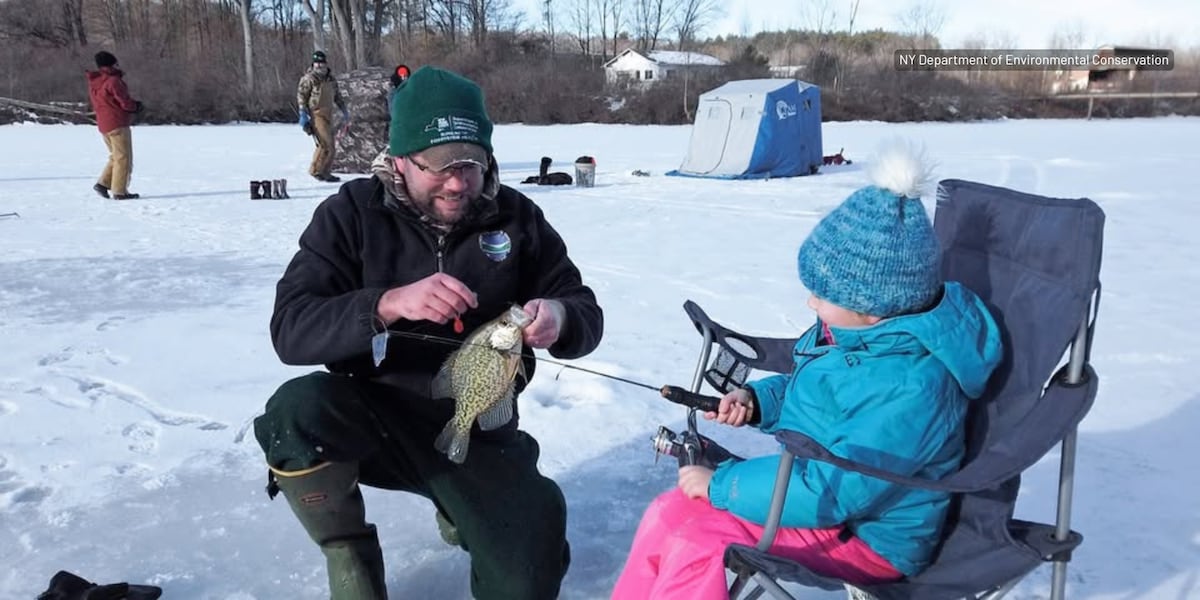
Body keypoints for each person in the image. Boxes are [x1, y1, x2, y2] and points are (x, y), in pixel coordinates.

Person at [255, 65, 604, 600]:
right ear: (398, 159)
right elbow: (291, 328)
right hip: (373, 415)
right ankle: (348, 557)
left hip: (481, 426)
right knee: (297, 412)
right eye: (439, 166)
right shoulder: (350, 213)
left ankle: (459, 505)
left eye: (472, 163)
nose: (459, 182)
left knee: (527, 577)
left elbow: (585, 312)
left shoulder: (516, 217)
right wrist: (385, 304)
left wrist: (560, 315)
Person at [612, 142, 1004, 599]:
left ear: (873, 309)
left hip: (864, 535)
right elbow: (817, 389)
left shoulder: (914, 390)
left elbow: (835, 493)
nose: (810, 303)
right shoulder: (859, 336)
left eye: (821, 294)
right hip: (819, 496)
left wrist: (720, 486)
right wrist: (758, 402)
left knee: (696, 538)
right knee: (669, 510)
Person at [85, 50, 143, 200]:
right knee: (123, 158)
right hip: (117, 122)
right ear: (111, 65)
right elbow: (124, 102)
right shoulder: (113, 81)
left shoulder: (94, 83)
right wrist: (136, 106)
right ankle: (119, 191)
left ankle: (103, 184)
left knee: (116, 156)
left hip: (104, 124)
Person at [297, 49, 349, 182]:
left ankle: (326, 171)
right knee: (325, 143)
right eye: (316, 63)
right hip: (316, 114)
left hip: (329, 113)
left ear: (325, 63)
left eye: (321, 62)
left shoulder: (331, 79)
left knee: (331, 145)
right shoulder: (309, 79)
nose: (318, 65)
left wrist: (344, 110)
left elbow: (337, 96)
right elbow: (302, 96)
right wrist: (303, 114)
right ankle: (315, 170)